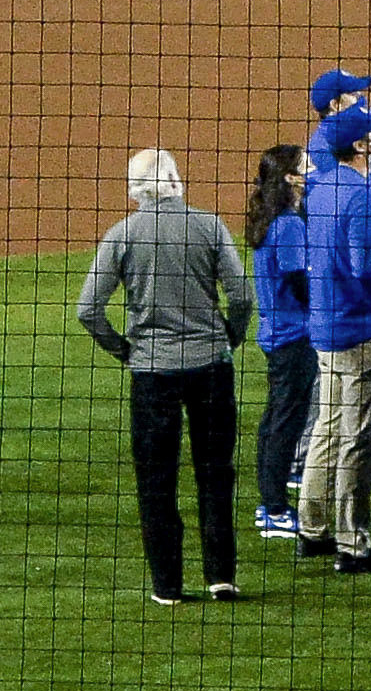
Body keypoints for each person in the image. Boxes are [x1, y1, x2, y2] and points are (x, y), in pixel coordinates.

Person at [75, 146, 256, 605]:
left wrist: (126, 351)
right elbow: (242, 298)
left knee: (157, 480)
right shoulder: (209, 225)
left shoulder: (123, 235)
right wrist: (226, 339)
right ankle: (222, 578)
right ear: (175, 178)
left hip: (151, 373)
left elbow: (88, 310)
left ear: (134, 188)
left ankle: (167, 586)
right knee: (216, 473)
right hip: (211, 367)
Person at [291, 104, 371, 573]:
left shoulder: (321, 189)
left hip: (326, 327)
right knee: (362, 435)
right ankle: (352, 544)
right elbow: (365, 266)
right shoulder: (363, 195)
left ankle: (311, 530)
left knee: (328, 428)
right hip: (362, 330)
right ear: (358, 146)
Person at [240, 140, 315, 541]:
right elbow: (298, 280)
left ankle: (271, 501)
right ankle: (273, 509)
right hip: (293, 337)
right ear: (290, 177)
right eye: (306, 165)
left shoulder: (279, 218)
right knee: (284, 423)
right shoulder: (287, 224)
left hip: (279, 334)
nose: (312, 168)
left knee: (277, 421)